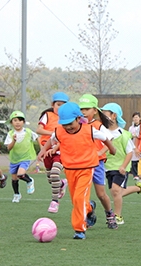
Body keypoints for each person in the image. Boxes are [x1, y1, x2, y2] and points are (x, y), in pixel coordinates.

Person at [41, 102, 116, 239]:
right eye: (65, 124)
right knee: (76, 201)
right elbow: (51, 140)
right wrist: (43, 151)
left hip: (86, 169)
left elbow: (105, 138)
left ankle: (79, 230)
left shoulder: (90, 130)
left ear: (78, 118)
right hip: (69, 170)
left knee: (79, 198)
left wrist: (112, 149)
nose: (68, 127)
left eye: (70, 123)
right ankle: (89, 208)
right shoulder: (60, 131)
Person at [101, 103, 141, 226]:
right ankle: (139, 188)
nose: (101, 115)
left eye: (105, 113)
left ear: (114, 116)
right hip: (108, 167)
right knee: (116, 192)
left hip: (121, 168)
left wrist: (123, 166)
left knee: (115, 191)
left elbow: (129, 152)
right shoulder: (101, 132)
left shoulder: (123, 134)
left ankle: (117, 216)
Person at [78, 94, 117, 228]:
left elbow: (110, 139)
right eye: (81, 109)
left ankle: (109, 214)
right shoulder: (77, 125)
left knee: (101, 194)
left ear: (95, 110)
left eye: (87, 109)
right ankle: (88, 213)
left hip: (97, 163)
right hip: (82, 164)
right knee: (82, 193)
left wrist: (100, 152)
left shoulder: (97, 125)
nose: (83, 112)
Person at [36, 92, 69, 213]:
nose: (60, 107)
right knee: (51, 179)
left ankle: (54, 202)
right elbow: (39, 129)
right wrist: (53, 135)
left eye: (63, 105)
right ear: (53, 104)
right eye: (58, 104)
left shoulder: (67, 118)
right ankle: (61, 183)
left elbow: (66, 136)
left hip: (60, 150)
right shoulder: (47, 115)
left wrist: (57, 138)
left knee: (55, 173)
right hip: (47, 149)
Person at [4, 111, 38, 203]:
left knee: (20, 174)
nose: (18, 122)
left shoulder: (29, 132)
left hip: (25, 158)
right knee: (14, 179)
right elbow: (8, 148)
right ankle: (16, 194)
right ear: (11, 123)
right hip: (14, 159)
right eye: (15, 120)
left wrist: (42, 150)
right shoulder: (10, 134)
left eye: (20, 120)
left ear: (23, 122)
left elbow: (37, 138)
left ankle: (29, 180)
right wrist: (14, 141)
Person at [128, 112, 141, 181]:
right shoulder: (131, 128)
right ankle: (135, 174)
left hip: (139, 145)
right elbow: (129, 135)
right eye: (134, 117)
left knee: (139, 159)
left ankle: (140, 173)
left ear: (140, 118)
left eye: (137, 117)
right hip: (132, 145)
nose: (135, 119)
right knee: (133, 161)